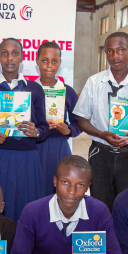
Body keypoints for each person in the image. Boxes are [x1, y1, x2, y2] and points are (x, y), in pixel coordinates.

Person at [73, 32, 128, 211]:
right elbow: (82, 121)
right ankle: (105, 238)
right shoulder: (94, 83)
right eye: (110, 51)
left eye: (121, 50)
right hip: (101, 153)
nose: (115, 56)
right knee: (101, 205)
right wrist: (102, 134)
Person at [0, 38, 49, 222]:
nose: (9, 58)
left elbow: (44, 128)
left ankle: (23, 250)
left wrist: (36, 132)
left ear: (22, 57)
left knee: (27, 210)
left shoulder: (35, 89)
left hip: (27, 158)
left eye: (14, 53)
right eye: (5, 53)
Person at [35, 42, 81, 195]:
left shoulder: (68, 91)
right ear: (37, 61)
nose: (49, 65)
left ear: (60, 63)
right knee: (35, 189)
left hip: (58, 148)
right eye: (45, 60)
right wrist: (38, 127)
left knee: (60, 190)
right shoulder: (29, 90)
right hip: (34, 147)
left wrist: (68, 130)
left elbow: (79, 123)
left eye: (54, 61)